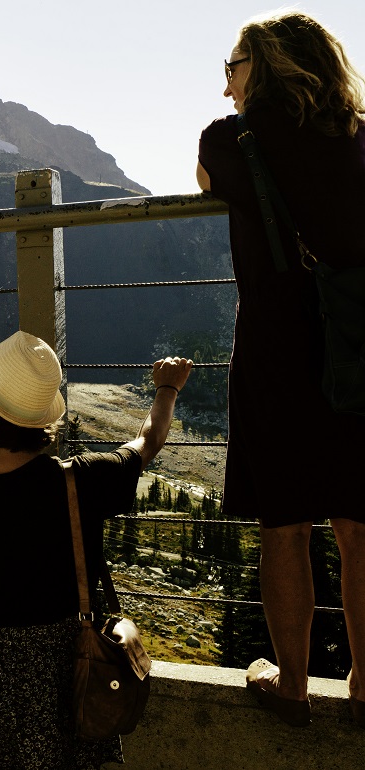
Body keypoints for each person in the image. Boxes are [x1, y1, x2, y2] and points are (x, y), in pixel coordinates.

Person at [196, 10, 365, 728]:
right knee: (361, 522)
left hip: (276, 346)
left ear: (261, 64)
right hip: (359, 344)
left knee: (285, 522)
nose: (227, 83)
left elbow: (206, 181)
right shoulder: (361, 136)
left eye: (232, 67)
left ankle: (292, 681)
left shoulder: (232, 139)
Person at [0, 331, 191, 769]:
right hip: (64, 664)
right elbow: (148, 441)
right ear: (41, 418)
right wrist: (167, 388)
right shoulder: (83, 479)